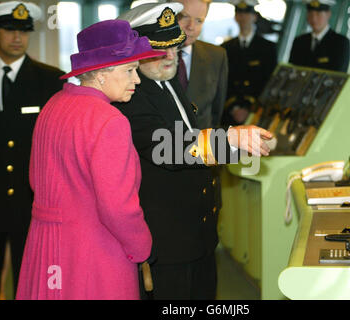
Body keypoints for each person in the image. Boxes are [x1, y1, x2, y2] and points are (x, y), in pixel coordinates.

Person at [115, 2, 272, 300]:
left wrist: (241, 145)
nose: (171, 56)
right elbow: (167, 148)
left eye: (174, 47)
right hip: (168, 241)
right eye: (160, 50)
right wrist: (231, 140)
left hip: (198, 235)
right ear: (136, 53)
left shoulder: (168, 82)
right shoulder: (132, 96)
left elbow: (194, 138)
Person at [16, 19, 164, 300]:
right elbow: (117, 207)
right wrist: (143, 247)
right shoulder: (109, 121)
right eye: (130, 70)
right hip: (93, 255)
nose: (137, 79)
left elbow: (35, 179)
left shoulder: (53, 105)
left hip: (46, 249)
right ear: (102, 73)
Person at [0, 1, 65, 300]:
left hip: (29, 202)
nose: (17, 37)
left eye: (24, 31)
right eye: (9, 29)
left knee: (29, 284)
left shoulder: (51, 80)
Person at [171, 0, 228, 130]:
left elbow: (216, 112)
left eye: (199, 21)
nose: (191, 26)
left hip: (199, 145)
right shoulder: (148, 56)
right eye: (184, 17)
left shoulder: (217, 56)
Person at [289, 0, 350, 72]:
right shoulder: (299, 41)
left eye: (318, 14)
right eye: (310, 13)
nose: (314, 18)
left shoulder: (340, 42)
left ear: (328, 14)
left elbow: (338, 74)